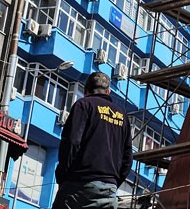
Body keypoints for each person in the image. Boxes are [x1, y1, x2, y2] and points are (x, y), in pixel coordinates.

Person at [53, 71, 132, 209]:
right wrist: (112, 183)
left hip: (79, 185)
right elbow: (128, 158)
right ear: (108, 92)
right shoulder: (122, 116)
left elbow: (71, 142)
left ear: (86, 90)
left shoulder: (83, 105)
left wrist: (63, 176)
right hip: (109, 191)